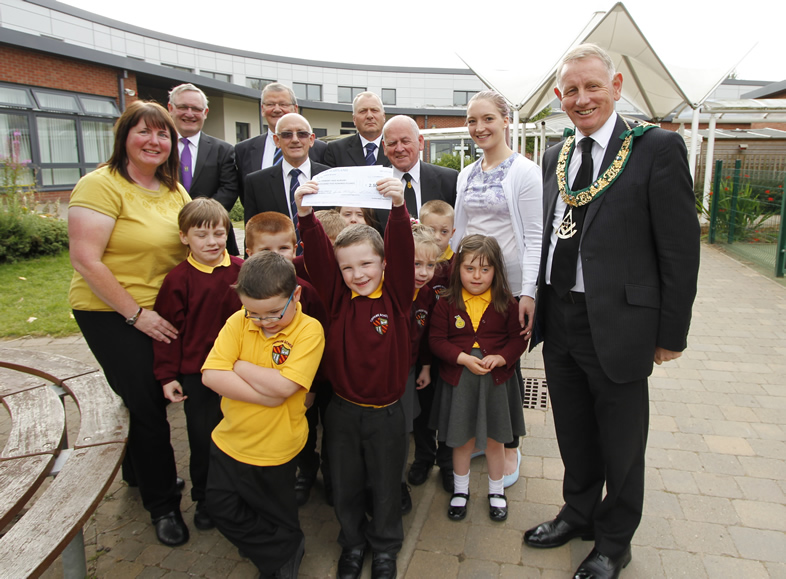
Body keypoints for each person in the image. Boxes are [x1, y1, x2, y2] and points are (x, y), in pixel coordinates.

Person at [525, 44, 700, 579]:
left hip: (622, 324)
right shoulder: (557, 156)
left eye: (592, 86)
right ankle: (578, 512)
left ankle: (614, 539)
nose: (582, 99)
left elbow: (679, 247)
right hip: (563, 317)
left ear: (616, 86)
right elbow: (552, 236)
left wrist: (671, 332)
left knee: (622, 440)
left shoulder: (657, 148)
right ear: (559, 98)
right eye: (571, 91)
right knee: (573, 429)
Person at [68, 100, 191, 547]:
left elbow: (191, 245)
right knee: (148, 402)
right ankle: (163, 505)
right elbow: (85, 259)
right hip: (111, 311)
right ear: (124, 136)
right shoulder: (100, 185)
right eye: (144, 132)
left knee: (143, 399)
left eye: (164, 134)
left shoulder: (173, 189)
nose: (155, 141)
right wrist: (136, 315)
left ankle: (137, 472)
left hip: (160, 312)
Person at [294, 176, 413, 579]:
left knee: (384, 485)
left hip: (388, 415)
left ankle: (384, 548)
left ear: (383, 264)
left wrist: (398, 209)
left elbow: (401, 245)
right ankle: (353, 543)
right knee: (344, 483)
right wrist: (306, 216)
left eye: (366, 264)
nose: (358, 274)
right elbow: (320, 261)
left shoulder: (395, 297)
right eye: (348, 267)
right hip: (342, 412)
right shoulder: (336, 298)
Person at [201, 251, 325, 579]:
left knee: (277, 513)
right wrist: (266, 397)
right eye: (253, 314)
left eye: (272, 313)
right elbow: (211, 376)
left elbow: (285, 387)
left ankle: (282, 557)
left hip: (276, 447)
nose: (263, 322)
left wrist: (239, 366)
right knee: (220, 507)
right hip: (230, 440)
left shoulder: (309, 331)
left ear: (296, 295)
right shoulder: (237, 322)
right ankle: (279, 546)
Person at [451, 89, 543, 486]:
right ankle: (476, 437)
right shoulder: (466, 174)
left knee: (505, 367)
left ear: (506, 121)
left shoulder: (524, 172)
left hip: (507, 288)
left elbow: (536, 236)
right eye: (472, 120)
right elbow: (459, 230)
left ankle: (508, 445)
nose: (479, 128)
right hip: (469, 285)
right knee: (472, 361)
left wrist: (529, 292)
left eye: (487, 118)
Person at [152, 197, 243, 532]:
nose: (212, 242)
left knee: (239, 435)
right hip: (198, 375)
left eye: (219, 234)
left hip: (239, 372)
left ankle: (237, 494)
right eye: (202, 235)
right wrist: (166, 376)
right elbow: (168, 332)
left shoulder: (240, 270)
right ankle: (205, 499)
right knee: (204, 441)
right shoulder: (178, 280)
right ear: (184, 237)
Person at [429, 235, 528, 523]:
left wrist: (501, 358)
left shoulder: (507, 303)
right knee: (462, 441)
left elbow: (517, 340)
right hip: (460, 384)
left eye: (485, 269)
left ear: (496, 271)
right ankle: (461, 491)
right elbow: (436, 340)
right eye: (470, 268)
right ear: (458, 268)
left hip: (495, 385)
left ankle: (496, 491)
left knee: (496, 441)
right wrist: (461, 358)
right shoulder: (446, 303)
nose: (477, 276)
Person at [244, 211, 332, 506]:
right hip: (267, 381)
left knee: (315, 425)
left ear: (295, 249)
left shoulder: (305, 293)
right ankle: (299, 471)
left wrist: (313, 388)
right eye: (265, 250)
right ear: (249, 253)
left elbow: (322, 341)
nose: (277, 256)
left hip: (307, 382)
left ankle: (317, 472)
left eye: (284, 249)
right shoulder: (246, 293)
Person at [407, 200, 456, 491]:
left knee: (448, 408)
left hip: (448, 354)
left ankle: (448, 463)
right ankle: (423, 458)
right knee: (423, 410)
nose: (437, 237)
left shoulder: (455, 265)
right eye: (430, 230)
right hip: (420, 354)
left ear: (452, 232)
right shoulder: (413, 271)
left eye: (444, 231)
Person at [168, 83, 240, 255]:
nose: (189, 113)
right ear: (170, 108)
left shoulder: (223, 150)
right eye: (183, 107)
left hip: (213, 237)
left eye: (196, 109)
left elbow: (229, 189)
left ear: (205, 113)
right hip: (167, 233)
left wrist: (200, 221)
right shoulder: (159, 148)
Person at [399, 224, 440, 512]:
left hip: (413, 368)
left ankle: (414, 468)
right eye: (416, 263)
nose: (423, 272)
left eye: (430, 265)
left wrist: (426, 366)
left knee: (413, 421)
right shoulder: (390, 289)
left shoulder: (428, 295)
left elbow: (426, 335)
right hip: (388, 372)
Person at [243, 113, 330, 248]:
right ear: (277, 140)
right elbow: (251, 235)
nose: (295, 140)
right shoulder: (256, 182)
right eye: (287, 135)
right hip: (276, 263)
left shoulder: (329, 177)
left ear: (311, 139)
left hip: (321, 259)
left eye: (301, 134)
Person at [235, 82, 327, 203]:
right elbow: (246, 196)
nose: (277, 109)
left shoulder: (321, 149)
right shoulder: (243, 150)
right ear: (262, 109)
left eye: (283, 104)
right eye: (270, 104)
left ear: (295, 109)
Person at [377, 115, 457, 228]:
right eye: (392, 143)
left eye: (405, 141)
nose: (399, 149)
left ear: (420, 142)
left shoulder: (449, 180)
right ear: (384, 147)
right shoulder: (376, 185)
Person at [323, 92, 390, 168]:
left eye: (374, 110)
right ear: (354, 119)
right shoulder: (336, 150)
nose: (369, 116)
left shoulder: (398, 148)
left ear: (384, 116)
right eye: (363, 111)